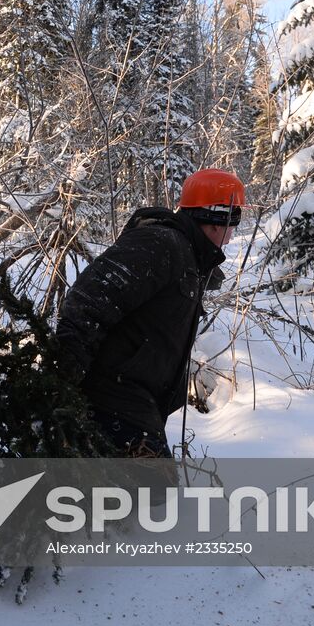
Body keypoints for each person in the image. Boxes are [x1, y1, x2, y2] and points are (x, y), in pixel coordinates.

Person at [54, 169, 245, 458]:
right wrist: (61, 382)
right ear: (216, 217)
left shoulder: (188, 258)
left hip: (137, 408)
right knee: (152, 497)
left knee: (131, 497)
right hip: (113, 401)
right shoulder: (160, 244)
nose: (233, 235)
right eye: (235, 219)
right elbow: (89, 299)